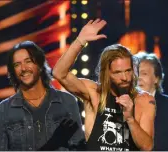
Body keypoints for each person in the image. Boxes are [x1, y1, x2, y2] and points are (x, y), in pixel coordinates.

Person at [53, 19, 156, 151]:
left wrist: (130, 118)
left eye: (128, 71)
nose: (124, 78)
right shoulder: (94, 92)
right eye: (117, 72)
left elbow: (147, 147)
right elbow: (58, 73)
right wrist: (80, 41)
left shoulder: (145, 100)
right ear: (106, 74)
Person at [0, 41, 85, 151]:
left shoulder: (66, 101)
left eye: (28, 61)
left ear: (40, 65)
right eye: (17, 64)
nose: (23, 68)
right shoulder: (4, 109)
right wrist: (52, 144)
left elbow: (79, 147)